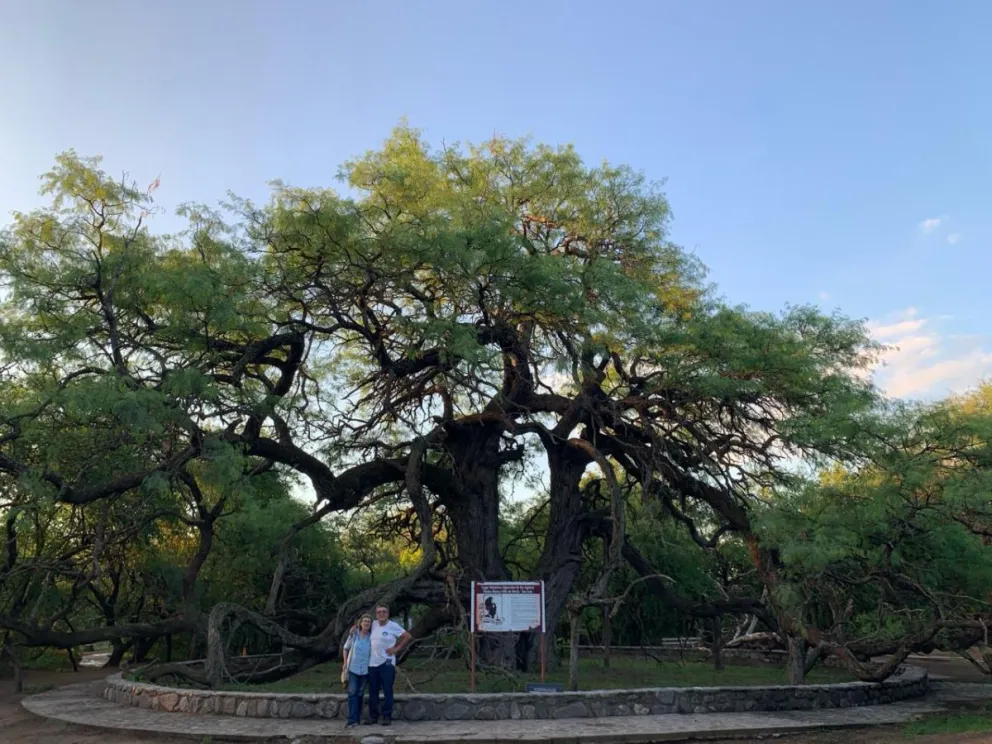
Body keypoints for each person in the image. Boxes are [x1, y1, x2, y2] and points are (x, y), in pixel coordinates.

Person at [366, 604, 411, 726]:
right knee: (373, 691)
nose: (381, 614)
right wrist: (353, 628)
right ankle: (373, 716)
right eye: (379, 612)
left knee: (387, 691)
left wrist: (396, 649)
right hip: (372, 664)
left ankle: (387, 716)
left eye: (384, 612)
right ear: (376, 614)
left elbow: (407, 636)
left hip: (387, 663)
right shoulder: (373, 624)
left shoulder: (393, 626)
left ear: (388, 614)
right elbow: (361, 625)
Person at [342, 613, 373, 729]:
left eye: (369, 622)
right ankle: (351, 720)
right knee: (352, 693)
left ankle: (357, 718)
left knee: (360, 694)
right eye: (364, 621)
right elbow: (346, 648)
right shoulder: (354, 635)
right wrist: (345, 663)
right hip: (353, 668)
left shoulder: (372, 637)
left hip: (365, 670)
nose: (366, 623)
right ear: (360, 623)